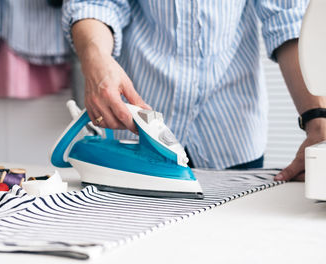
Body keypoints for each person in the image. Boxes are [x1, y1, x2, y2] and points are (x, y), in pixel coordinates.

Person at [61, 1, 326, 181]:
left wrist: (319, 124)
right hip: (131, 124)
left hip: (231, 132)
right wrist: (96, 59)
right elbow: (97, 3)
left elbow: (288, 17)